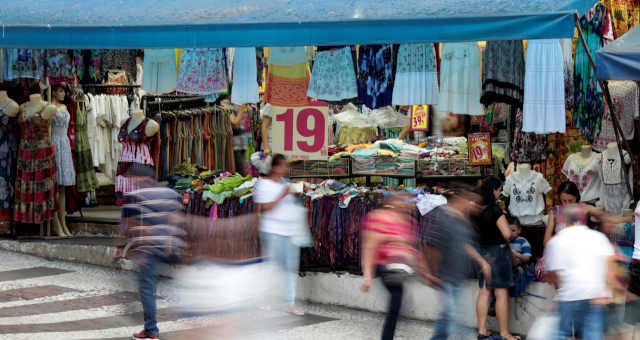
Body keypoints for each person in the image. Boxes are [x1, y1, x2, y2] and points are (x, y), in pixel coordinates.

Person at [120, 166, 186, 340]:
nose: (131, 182)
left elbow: (130, 225)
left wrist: (127, 248)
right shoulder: (171, 193)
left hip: (149, 248)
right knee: (169, 284)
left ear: (139, 178)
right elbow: (177, 218)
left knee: (147, 287)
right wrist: (170, 240)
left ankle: (151, 329)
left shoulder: (135, 197)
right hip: (170, 245)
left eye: (132, 178)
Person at [423, 183, 491, 340]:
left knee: (448, 317)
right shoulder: (442, 216)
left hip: (457, 277)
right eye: (473, 201)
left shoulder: (464, 219)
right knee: (454, 318)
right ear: (462, 199)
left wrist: (482, 262)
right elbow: (430, 245)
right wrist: (430, 272)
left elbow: (465, 245)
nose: (477, 206)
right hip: (445, 276)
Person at [545, 204, 615, 340]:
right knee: (592, 335)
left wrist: (559, 295)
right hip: (595, 296)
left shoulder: (557, 241)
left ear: (564, 219)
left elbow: (553, 274)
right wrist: (606, 292)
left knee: (563, 334)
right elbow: (610, 268)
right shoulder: (599, 238)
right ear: (584, 219)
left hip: (570, 296)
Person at [361, 192, 419, 340]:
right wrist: (367, 276)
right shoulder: (378, 217)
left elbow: (412, 246)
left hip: (401, 268)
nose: (407, 204)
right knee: (396, 299)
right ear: (392, 201)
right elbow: (369, 247)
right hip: (384, 266)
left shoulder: (410, 221)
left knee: (398, 302)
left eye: (410, 202)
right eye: (403, 201)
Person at [253, 153, 305, 316]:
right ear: (275, 167)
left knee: (291, 268)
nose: (286, 168)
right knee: (271, 267)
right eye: (283, 165)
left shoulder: (284, 183)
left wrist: (295, 193)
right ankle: (261, 298)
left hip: (290, 232)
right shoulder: (263, 185)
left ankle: (289, 303)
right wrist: (282, 194)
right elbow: (264, 208)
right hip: (273, 231)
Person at [475, 176, 520, 340]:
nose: (500, 192)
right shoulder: (495, 210)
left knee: (484, 292)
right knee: (501, 293)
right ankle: (504, 333)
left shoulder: (478, 209)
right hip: (498, 253)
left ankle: (481, 330)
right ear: (493, 190)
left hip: (482, 253)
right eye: (499, 189)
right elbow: (507, 234)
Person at [543, 181, 631, 246]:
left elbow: (606, 217)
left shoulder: (584, 208)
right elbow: (546, 241)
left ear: (576, 197)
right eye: (564, 201)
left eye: (571, 200)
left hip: (582, 250)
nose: (567, 204)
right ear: (559, 198)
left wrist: (629, 219)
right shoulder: (554, 212)